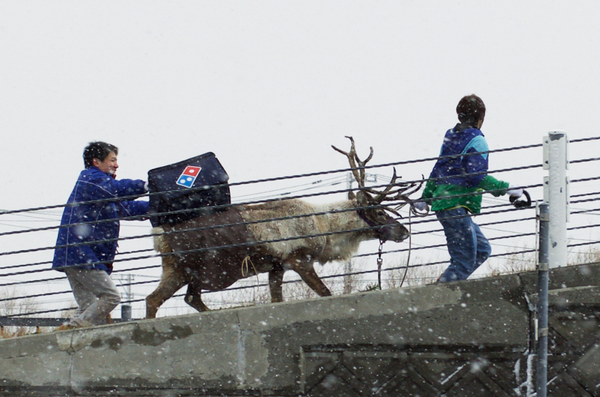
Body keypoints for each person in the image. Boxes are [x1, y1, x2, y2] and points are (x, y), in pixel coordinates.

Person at [414, 95, 523, 283]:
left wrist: (426, 198)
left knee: (482, 250)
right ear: (481, 119)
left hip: (445, 205)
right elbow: (476, 176)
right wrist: (508, 189)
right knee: (463, 261)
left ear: (459, 116)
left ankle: (444, 286)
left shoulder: (451, 137)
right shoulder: (477, 141)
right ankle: (439, 297)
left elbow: (438, 169)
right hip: (456, 206)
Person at [52, 141, 149, 330]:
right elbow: (116, 189)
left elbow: (127, 208)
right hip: (81, 254)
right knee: (111, 297)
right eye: (112, 160)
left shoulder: (101, 190)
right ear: (96, 161)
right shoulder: (91, 179)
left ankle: (65, 339)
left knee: (89, 307)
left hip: (73, 255)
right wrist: (147, 186)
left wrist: (160, 205)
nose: (116, 164)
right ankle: (74, 329)